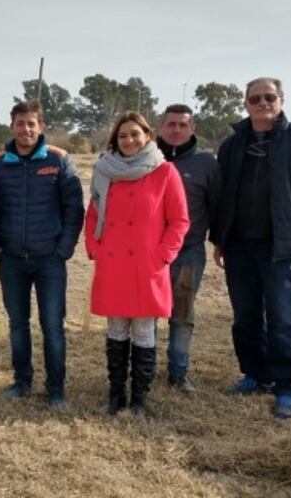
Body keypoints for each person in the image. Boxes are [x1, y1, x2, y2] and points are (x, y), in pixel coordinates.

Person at [210, 77, 291, 419]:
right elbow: (223, 197)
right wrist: (221, 240)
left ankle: (286, 388)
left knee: (283, 321)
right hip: (240, 248)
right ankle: (255, 375)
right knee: (246, 318)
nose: (262, 103)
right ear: (245, 104)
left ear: (281, 100)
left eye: (269, 97)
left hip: (284, 249)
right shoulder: (233, 145)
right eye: (255, 98)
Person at [85, 111, 189, 417]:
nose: (129, 140)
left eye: (135, 134)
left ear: (147, 136)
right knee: (116, 330)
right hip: (112, 263)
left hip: (147, 265)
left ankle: (140, 399)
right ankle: (116, 395)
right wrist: (94, 249)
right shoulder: (105, 170)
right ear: (115, 140)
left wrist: (163, 255)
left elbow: (180, 221)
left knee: (144, 332)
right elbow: (92, 215)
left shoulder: (165, 171)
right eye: (122, 136)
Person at [0, 100, 84, 408]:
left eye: (31, 124)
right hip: (12, 260)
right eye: (20, 123)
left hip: (49, 261)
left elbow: (74, 209)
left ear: (41, 127)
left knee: (52, 326)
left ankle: (56, 389)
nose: (25, 129)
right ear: (11, 126)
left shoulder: (58, 161)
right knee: (18, 324)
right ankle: (22, 381)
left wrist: (63, 249)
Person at [155, 104, 221, 393]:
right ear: (161, 128)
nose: (176, 130)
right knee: (145, 313)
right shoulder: (146, 159)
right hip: (149, 253)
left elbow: (217, 207)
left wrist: (219, 242)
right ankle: (144, 368)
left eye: (183, 125)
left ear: (192, 128)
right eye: (171, 124)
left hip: (188, 251)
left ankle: (178, 373)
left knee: (182, 313)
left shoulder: (206, 164)